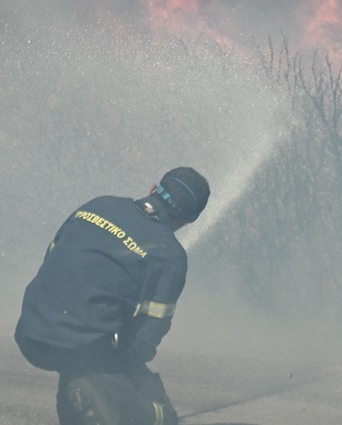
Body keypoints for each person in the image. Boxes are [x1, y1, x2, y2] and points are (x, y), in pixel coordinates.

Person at [15, 167, 210, 425]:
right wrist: (123, 371)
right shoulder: (170, 256)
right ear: (190, 220)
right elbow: (147, 335)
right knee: (151, 405)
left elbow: (52, 255)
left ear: (153, 188)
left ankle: (84, 397)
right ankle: (147, 414)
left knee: (84, 377)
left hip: (30, 328)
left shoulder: (98, 205)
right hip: (76, 346)